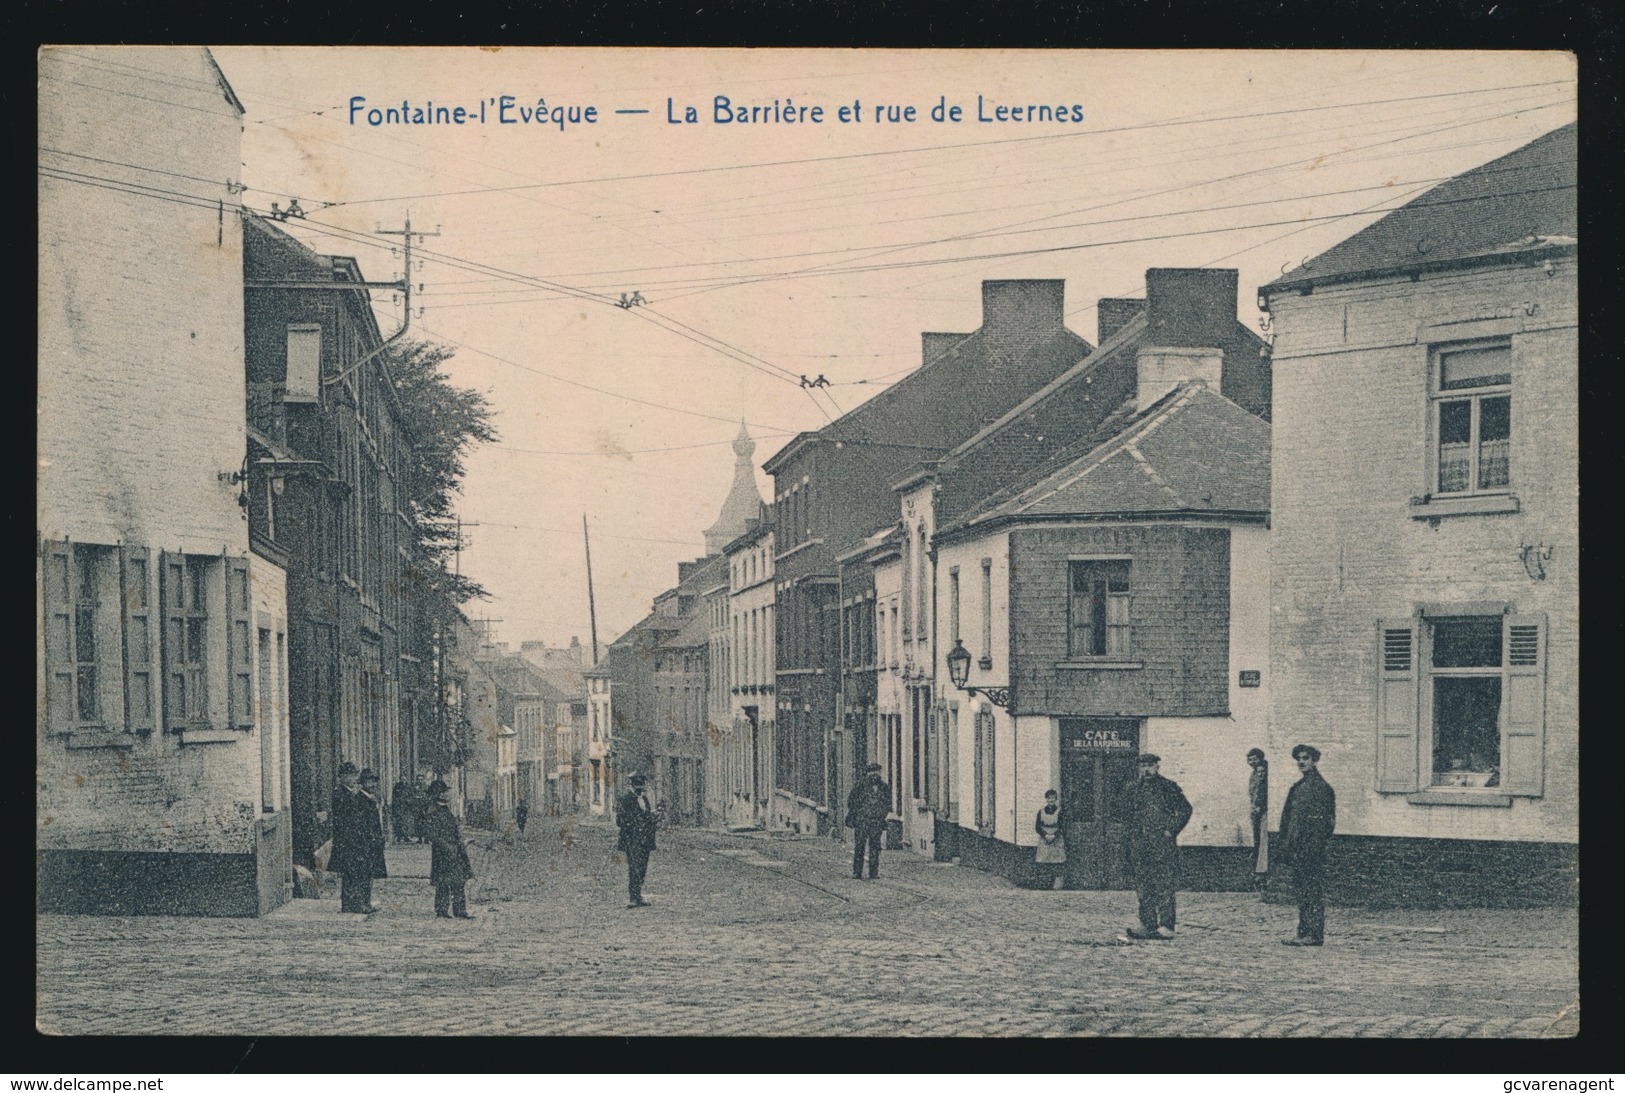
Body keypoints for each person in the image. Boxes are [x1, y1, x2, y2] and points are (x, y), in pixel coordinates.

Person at [1121, 753, 1192, 940]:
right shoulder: (1132, 789)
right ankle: (1147, 924)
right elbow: (1124, 814)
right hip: (1140, 845)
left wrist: (1171, 830)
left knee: (1164, 884)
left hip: (1162, 845)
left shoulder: (1168, 787)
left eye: (1150, 765)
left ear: (1157, 766)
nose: (1146, 769)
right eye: (1143, 766)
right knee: (1143, 885)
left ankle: (1167, 926)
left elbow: (1185, 809)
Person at [1278, 743, 1336, 946]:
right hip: (1297, 849)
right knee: (1303, 892)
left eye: (1305, 758)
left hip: (1310, 850)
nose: (1301, 762)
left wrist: (1312, 847)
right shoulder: (1299, 787)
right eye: (1299, 759)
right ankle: (1303, 933)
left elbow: (1325, 824)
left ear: (1314, 760)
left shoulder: (1320, 789)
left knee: (1312, 891)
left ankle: (1314, 934)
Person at [421, 780, 474, 919]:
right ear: (438, 794)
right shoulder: (432, 811)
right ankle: (442, 909)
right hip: (442, 852)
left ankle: (460, 910)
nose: (447, 794)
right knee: (443, 881)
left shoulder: (445, 809)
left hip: (455, 850)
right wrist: (447, 846)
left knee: (459, 880)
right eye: (444, 792)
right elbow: (432, 834)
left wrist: (462, 843)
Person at [328, 761, 373, 914]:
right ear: (342, 777)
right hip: (347, 841)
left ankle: (356, 903)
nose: (354, 778)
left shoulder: (350, 793)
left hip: (354, 840)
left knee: (356, 872)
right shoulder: (340, 794)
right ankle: (350, 904)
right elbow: (346, 820)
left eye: (355, 775)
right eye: (351, 775)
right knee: (350, 873)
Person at [615, 773, 659, 908]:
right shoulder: (625, 799)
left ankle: (638, 895)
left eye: (642, 787)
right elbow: (620, 820)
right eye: (637, 787)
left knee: (642, 868)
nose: (640, 789)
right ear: (632, 785)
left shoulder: (644, 799)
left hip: (645, 840)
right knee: (634, 867)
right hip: (631, 839)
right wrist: (634, 824)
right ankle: (633, 897)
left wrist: (652, 819)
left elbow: (647, 817)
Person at [844, 762, 890, 880]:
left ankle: (873, 872)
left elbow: (887, 803)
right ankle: (857, 872)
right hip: (862, 821)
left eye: (877, 772)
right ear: (868, 774)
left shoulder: (884, 787)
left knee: (875, 846)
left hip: (876, 821)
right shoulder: (860, 786)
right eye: (872, 772)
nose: (875, 775)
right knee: (859, 846)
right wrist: (859, 813)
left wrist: (882, 814)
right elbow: (851, 801)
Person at [354, 768, 389, 913]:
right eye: (369, 781)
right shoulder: (360, 800)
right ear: (362, 783)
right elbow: (361, 824)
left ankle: (366, 902)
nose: (373, 784)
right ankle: (362, 903)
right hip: (365, 844)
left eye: (375, 781)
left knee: (369, 875)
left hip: (373, 843)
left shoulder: (371, 799)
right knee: (363, 874)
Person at [1034, 789, 1067, 890]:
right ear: (1046, 799)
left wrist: (1054, 835)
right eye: (1049, 798)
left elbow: (1062, 826)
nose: (1051, 800)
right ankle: (1044, 885)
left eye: (1053, 798)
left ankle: (1057, 886)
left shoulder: (1060, 811)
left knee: (1058, 862)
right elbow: (1037, 826)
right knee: (1043, 861)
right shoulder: (1041, 811)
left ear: (1056, 799)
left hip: (1056, 839)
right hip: (1045, 839)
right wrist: (1045, 835)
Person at [1246, 748, 1270, 883]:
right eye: (1249, 759)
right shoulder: (1254, 773)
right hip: (1256, 810)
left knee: (1261, 840)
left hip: (1261, 811)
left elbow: (1261, 789)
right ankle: (1258, 872)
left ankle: (1261, 873)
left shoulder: (1261, 770)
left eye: (1254, 759)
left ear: (1260, 758)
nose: (1251, 762)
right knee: (1258, 840)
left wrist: (1259, 806)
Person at [391, 776, 415, 844]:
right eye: (402, 779)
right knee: (399, 822)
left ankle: (406, 836)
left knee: (406, 822)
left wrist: (409, 802)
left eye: (404, 779)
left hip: (406, 807)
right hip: (399, 807)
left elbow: (411, 796)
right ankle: (399, 836)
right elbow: (394, 797)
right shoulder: (397, 787)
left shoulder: (408, 787)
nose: (403, 780)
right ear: (400, 779)